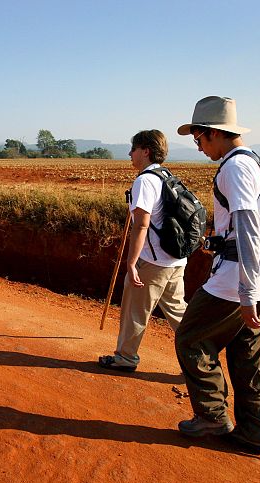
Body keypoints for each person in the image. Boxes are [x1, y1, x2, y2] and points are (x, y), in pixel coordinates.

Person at [174, 96, 260, 454]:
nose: (198, 147)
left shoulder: (234, 168)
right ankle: (253, 431)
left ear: (214, 133)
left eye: (198, 138)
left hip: (235, 282)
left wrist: (246, 292)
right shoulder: (256, 163)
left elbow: (248, 228)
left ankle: (212, 415)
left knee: (190, 339)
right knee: (246, 358)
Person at [98, 130, 187, 372]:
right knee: (179, 313)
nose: (130, 154)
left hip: (152, 261)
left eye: (133, 149)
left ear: (145, 151)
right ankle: (199, 362)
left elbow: (141, 225)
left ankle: (125, 358)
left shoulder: (145, 180)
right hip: (175, 260)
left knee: (134, 311)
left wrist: (131, 262)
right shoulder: (167, 176)